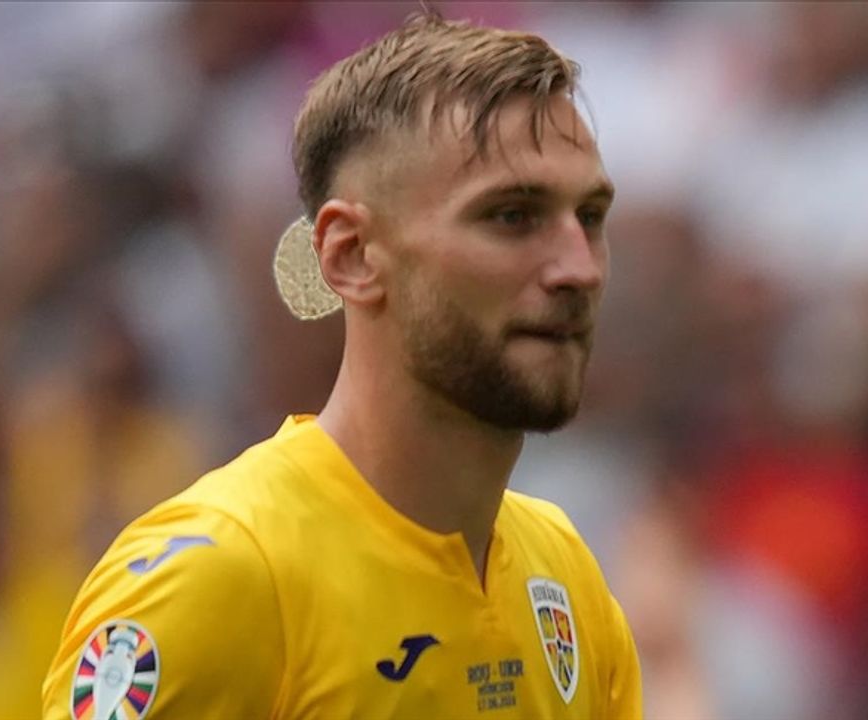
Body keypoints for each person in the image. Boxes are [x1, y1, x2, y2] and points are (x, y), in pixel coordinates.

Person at [42, 12, 641, 719]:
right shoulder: (220, 577)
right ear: (351, 255)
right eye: (511, 216)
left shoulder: (564, 573)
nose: (579, 268)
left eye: (590, 217)